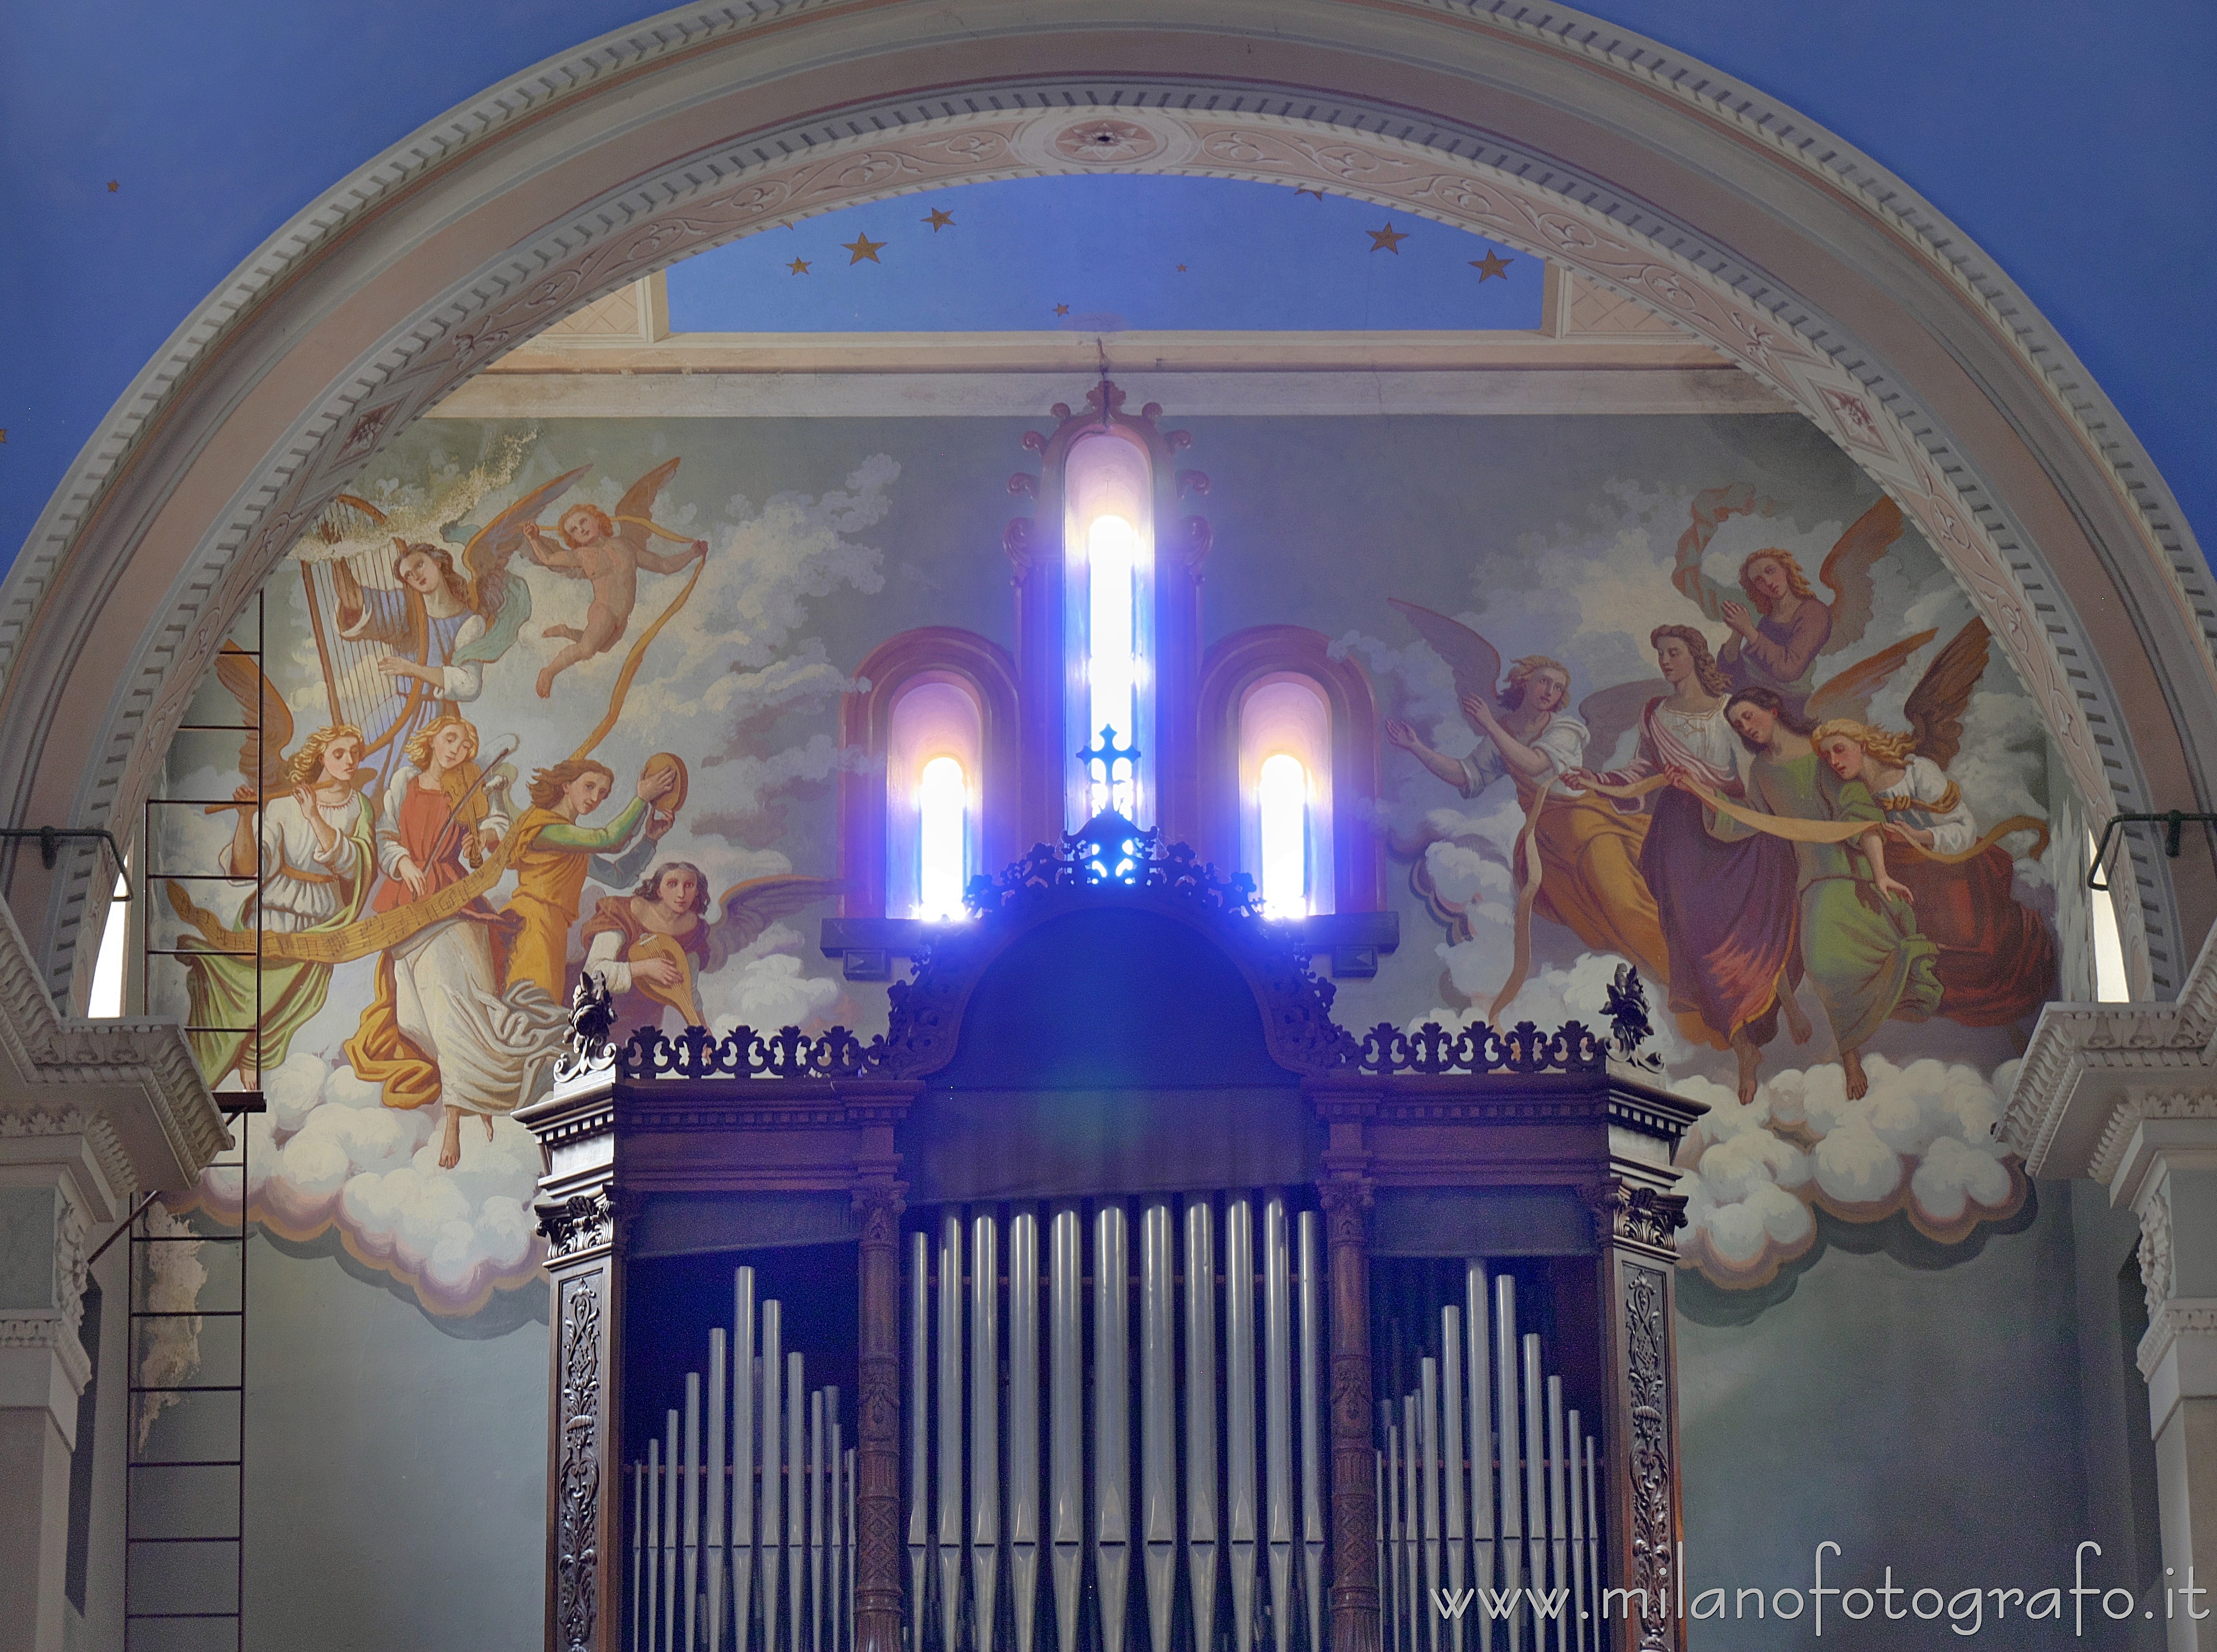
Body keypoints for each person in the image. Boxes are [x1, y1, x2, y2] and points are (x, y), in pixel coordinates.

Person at [1564, 627, 1809, 1100]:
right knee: (1698, 938)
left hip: (1732, 824)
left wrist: (1709, 785)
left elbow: (1748, 774)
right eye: (1660, 654)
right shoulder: (1654, 713)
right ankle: (1742, 1046)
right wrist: (1596, 779)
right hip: (1681, 836)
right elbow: (1639, 770)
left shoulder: (1728, 709)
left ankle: (1782, 998)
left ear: (1695, 656)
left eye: (1673, 652)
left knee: (1758, 920)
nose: (1665, 661)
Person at [1680, 689, 1941, 1100]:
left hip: (1848, 870)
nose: (1746, 727)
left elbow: (1858, 812)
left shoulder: (1823, 752)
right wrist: (1705, 797)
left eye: (1748, 716)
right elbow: (1753, 819)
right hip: (1812, 880)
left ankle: (1851, 1056)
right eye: (1738, 724)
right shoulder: (1762, 771)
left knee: (1835, 961)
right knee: (1820, 965)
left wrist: (1880, 874)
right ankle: (1850, 1056)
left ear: (1772, 709)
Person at [343, 715, 570, 1168]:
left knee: (456, 1013)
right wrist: (403, 863)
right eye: (452, 739)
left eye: (467, 745)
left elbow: (494, 828)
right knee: (417, 1018)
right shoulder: (405, 781)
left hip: (455, 903)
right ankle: (480, 1092)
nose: (458, 750)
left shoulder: (470, 785)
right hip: (410, 906)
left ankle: (453, 1123)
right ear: (432, 740)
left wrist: (479, 839)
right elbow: (386, 834)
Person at [1386, 655, 1675, 996]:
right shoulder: (1506, 732)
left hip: (1584, 824)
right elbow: (1466, 775)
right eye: (1544, 682)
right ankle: (1659, 983)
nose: (1550, 691)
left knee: (1623, 901)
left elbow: (1536, 764)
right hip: (1545, 841)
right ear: (1525, 682)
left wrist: (1490, 724)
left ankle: (1678, 974)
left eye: (1558, 688)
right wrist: (1416, 747)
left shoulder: (1564, 730)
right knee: (1596, 923)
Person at [1811, 718, 2056, 1025]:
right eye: (1827, 756)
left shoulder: (1917, 772)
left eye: (1839, 750)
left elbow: (1964, 828)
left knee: (1981, 953)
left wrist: (1917, 836)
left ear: (1862, 745)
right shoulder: (1853, 794)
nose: (1834, 761)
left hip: (1952, 870)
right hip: (1910, 884)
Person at [185, 725, 376, 1086]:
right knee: (258, 992)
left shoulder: (359, 807)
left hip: (325, 920)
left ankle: (255, 1057)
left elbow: (356, 865)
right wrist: (245, 819)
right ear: (321, 758)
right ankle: (235, 1060)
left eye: (355, 753)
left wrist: (314, 816)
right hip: (276, 911)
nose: (350, 760)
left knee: (296, 1001)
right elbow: (253, 866)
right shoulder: (285, 804)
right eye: (339, 753)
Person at [500, 756, 680, 999]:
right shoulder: (545, 829)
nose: (596, 798)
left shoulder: (573, 846)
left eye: (603, 793)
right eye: (589, 786)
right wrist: (642, 799)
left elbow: (619, 877)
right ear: (566, 785)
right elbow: (609, 840)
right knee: (531, 1006)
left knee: (543, 1008)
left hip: (554, 933)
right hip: (533, 928)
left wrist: (649, 840)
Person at [333, 540, 492, 760]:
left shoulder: (469, 623)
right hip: (398, 713)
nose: (416, 576)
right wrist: (336, 553)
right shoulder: (405, 608)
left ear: (437, 562)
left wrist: (412, 669)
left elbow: (469, 685)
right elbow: (353, 599)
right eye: (408, 575)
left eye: (419, 565)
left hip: (437, 722)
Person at [579, 861, 715, 1033]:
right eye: (672, 884)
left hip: (648, 1025)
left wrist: (702, 1028)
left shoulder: (693, 931)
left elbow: (689, 989)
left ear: (697, 891)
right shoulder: (622, 913)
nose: (681, 894)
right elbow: (593, 974)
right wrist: (646, 968)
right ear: (659, 890)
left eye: (689, 885)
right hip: (605, 1015)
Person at [1717, 550, 1831, 717]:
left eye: (1771, 571)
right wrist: (1738, 633)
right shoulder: (1767, 620)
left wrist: (1748, 630)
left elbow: (1789, 668)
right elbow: (1731, 675)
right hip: (1752, 699)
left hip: (1785, 707)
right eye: (1759, 581)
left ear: (1786, 569)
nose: (1768, 582)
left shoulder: (1813, 612)